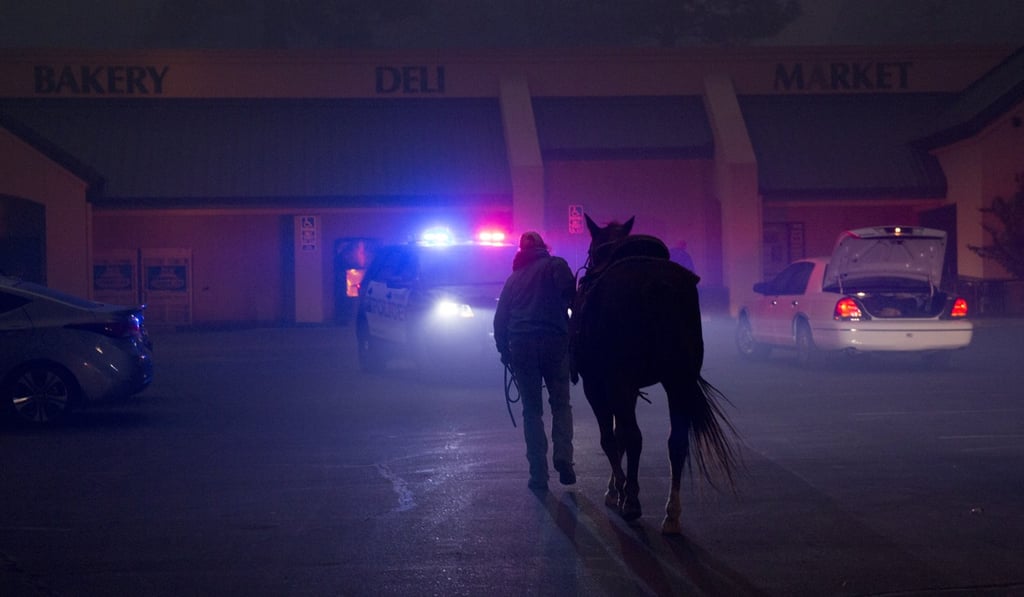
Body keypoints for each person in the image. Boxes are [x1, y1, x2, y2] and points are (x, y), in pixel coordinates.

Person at [493, 231, 577, 492]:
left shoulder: (513, 279)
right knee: (561, 404)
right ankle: (563, 458)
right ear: (544, 247)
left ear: (520, 252)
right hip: (554, 342)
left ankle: (538, 475)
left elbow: (499, 320)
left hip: (521, 346)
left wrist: (504, 352)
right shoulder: (556, 265)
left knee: (532, 411)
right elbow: (572, 298)